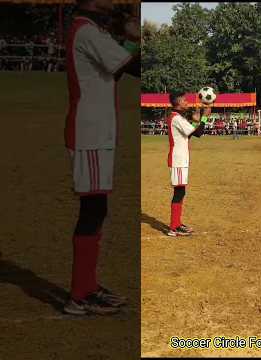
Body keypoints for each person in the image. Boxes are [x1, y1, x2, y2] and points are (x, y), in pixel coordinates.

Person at [63, 0, 141, 316]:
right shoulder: (88, 32)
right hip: (90, 135)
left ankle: (87, 288)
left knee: (97, 209)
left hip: (94, 134)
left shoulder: (90, 31)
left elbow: (115, 73)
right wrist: (138, 37)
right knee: (93, 210)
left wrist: (126, 37)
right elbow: (133, 68)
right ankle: (80, 296)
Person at [166, 92, 212, 236]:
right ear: (178, 102)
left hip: (181, 159)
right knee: (179, 192)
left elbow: (190, 133)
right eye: (185, 101)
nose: (187, 103)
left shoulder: (177, 117)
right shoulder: (177, 118)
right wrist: (204, 117)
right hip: (178, 160)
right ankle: (173, 228)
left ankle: (177, 224)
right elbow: (198, 133)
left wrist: (195, 120)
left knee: (181, 191)